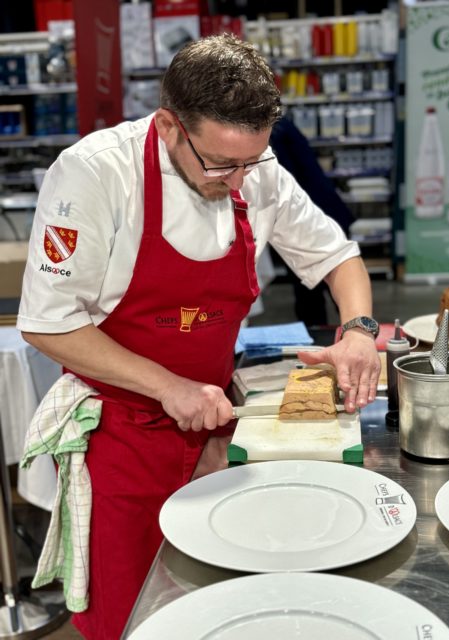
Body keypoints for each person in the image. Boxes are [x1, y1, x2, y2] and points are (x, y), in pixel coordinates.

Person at [18, 34, 380, 639]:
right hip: (119, 436)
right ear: (169, 126)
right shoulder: (95, 174)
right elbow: (48, 322)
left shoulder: (256, 170)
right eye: (218, 164)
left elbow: (337, 257)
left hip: (216, 424)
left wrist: (360, 333)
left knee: (217, 603)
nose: (237, 181)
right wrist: (167, 386)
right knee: (131, 612)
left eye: (250, 162)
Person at [270, 115, 356, 326]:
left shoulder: (274, 133)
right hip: (321, 210)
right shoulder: (280, 126)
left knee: (314, 292)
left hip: (312, 215)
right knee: (328, 289)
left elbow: (283, 182)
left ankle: (324, 334)